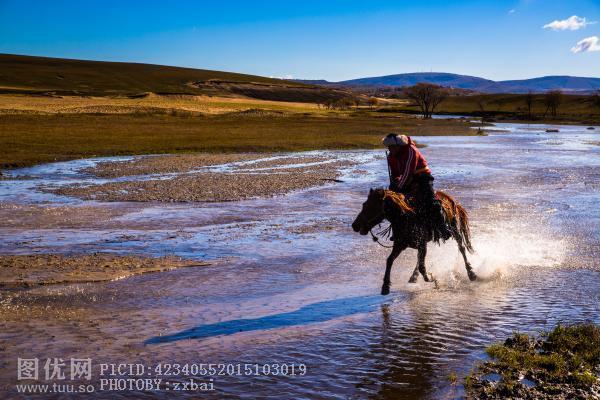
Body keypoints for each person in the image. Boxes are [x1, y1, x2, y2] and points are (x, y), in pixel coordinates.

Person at [382, 133, 451, 241]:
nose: (390, 149)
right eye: (389, 147)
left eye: (392, 147)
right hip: (406, 181)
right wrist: (393, 185)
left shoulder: (411, 150)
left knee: (431, 201)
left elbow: (408, 171)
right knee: (392, 203)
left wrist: (399, 187)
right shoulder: (391, 156)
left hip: (423, 177)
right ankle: (398, 230)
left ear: (398, 145)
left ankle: (443, 228)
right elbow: (395, 173)